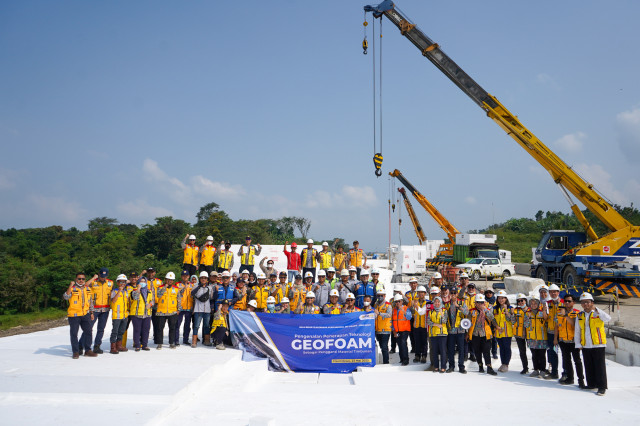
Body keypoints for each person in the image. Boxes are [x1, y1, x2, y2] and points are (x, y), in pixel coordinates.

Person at [575, 292, 610, 396]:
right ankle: (591, 384)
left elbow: (608, 318)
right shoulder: (580, 315)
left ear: (592, 303)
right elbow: (577, 331)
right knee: (588, 365)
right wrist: (578, 344)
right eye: (583, 302)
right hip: (586, 345)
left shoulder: (597, 313)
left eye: (587, 302)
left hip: (598, 344)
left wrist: (597, 310)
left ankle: (602, 387)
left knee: (599, 367)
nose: (585, 304)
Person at [64, 272, 97, 358]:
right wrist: (70, 285)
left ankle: (88, 350)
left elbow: (90, 302)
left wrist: (92, 313)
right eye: (79, 279)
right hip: (74, 315)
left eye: (83, 279)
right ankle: (76, 352)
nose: (81, 280)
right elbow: (66, 297)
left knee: (88, 332)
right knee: (74, 333)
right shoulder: (72, 288)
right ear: (76, 279)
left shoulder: (88, 289)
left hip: (85, 314)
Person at [554, 294, 585, 387]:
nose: (567, 303)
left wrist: (566, 315)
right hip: (563, 341)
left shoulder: (577, 313)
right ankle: (570, 378)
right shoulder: (559, 313)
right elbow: (556, 326)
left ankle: (581, 380)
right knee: (567, 360)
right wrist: (555, 338)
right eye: (565, 301)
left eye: (569, 301)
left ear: (573, 303)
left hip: (573, 341)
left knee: (577, 361)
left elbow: (575, 324)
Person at [468, 294, 498, 375]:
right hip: (475, 334)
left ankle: (489, 367)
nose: (480, 304)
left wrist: (485, 310)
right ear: (475, 303)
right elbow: (468, 322)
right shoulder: (472, 311)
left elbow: (492, 318)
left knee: (487, 351)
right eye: (478, 302)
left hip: (485, 334)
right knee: (477, 351)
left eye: (482, 302)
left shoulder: (487, 310)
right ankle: (480, 366)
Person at [88, 267, 113, 354]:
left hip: (105, 309)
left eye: (104, 276)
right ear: (98, 274)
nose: (103, 278)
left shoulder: (110, 283)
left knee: (101, 329)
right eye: (101, 276)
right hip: (94, 309)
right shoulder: (93, 282)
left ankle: (97, 346)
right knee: (88, 328)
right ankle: (85, 345)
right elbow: (85, 286)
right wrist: (93, 278)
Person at [155, 272, 181, 349]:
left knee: (172, 328)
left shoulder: (176, 289)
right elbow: (159, 295)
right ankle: (159, 343)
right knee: (160, 328)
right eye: (168, 280)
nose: (169, 281)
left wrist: (178, 309)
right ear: (165, 279)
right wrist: (164, 287)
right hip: (161, 312)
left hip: (172, 311)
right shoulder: (160, 287)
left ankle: (171, 343)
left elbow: (179, 299)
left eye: (171, 280)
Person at [524, 296, 548, 377]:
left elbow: (546, 321)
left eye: (535, 303)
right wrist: (528, 318)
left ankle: (543, 370)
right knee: (534, 355)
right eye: (532, 303)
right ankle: (536, 369)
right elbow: (526, 325)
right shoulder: (527, 313)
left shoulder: (542, 312)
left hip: (542, 337)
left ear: (538, 304)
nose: (533, 305)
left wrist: (544, 311)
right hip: (531, 337)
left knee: (542, 355)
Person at [129, 275, 154, 352]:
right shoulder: (133, 291)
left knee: (146, 330)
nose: (142, 283)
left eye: (144, 281)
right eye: (141, 281)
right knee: (137, 330)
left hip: (147, 313)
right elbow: (135, 297)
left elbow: (152, 300)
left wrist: (150, 304)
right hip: (137, 313)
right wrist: (138, 288)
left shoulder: (149, 291)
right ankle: (137, 345)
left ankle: (144, 345)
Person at [446, 288, 469, 373]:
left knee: (461, 349)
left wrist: (458, 306)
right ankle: (451, 366)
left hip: (460, 330)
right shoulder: (447, 304)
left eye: (454, 293)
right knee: (451, 350)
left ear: (457, 294)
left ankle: (461, 367)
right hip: (451, 331)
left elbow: (467, 312)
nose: (453, 294)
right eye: (451, 293)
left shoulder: (462, 303)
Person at [543, 284, 563, 380]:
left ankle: (566, 373)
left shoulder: (564, 302)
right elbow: (546, 318)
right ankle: (554, 372)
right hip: (551, 332)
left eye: (555, 291)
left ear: (558, 292)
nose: (553, 293)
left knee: (564, 354)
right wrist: (544, 311)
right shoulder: (548, 303)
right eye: (551, 292)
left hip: (562, 332)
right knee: (552, 352)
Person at [493, 289, 515, 372]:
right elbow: (493, 319)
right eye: (499, 298)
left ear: (506, 299)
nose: (501, 300)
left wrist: (506, 311)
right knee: (501, 348)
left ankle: (506, 364)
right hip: (498, 332)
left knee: (507, 348)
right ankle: (502, 363)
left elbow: (512, 320)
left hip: (507, 332)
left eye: (503, 298)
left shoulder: (510, 308)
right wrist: (496, 326)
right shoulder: (495, 308)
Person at [191, 272, 213, 347]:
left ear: (207, 279)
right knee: (196, 326)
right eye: (202, 278)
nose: (204, 279)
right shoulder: (195, 286)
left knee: (206, 326)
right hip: (198, 309)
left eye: (205, 278)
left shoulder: (209, 288)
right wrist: (199, 287)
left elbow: (211, 298)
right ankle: (194, 341)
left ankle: (207, 340)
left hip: (207, 309)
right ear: (200, 279)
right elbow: (192, 293)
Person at [109, 274, 130, 354]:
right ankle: (113, 347)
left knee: (121, 331)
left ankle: (119, 346)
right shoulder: (114, 291)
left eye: (124, 282)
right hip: (116, 315)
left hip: (124, 315)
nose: (122, 284)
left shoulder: (126, 292)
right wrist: (119, 291)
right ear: (117, 282)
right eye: (121, 282)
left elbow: (127, 303)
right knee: (115, 331)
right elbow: (113, 301)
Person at [427, 296, 448, 373]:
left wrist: (441, 313)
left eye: (438, 302)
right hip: (433, 334)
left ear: (441, 302)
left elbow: (445, 321)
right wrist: (436, 324)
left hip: (442, 334)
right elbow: (428, 322)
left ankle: (443, 367)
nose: (437, 303)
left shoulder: (444, 311)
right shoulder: (431, 312)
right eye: (435, 302)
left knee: (443, 351)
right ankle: (436, 366)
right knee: (434, 351)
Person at [145, 268, 163, 351]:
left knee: (157, 323)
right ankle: (144, 340)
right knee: (146, 324)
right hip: (147, 305)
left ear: (155, 273)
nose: (150, 274)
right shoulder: (144, 281)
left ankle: (156, 339)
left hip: (156, 305)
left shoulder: (159, 281)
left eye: (152, 272)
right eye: (149, 272)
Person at [391, 293, 412, 366]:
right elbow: (392, 321)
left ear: (402, 301)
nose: (397, 303)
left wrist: (403, 310)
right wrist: (394, 331)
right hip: (397, 330)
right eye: (396, 302)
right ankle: (402, 359)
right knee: (399, 344)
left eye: (399, 301)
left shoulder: (406, 308)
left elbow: (409, 317)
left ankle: (406, 360)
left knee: (403, 343)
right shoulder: (393, 310)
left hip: (405, 330)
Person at [411, 286, 429, 364]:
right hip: (416, 325)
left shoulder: (428, 302)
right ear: (417, 293)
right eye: (419, 292)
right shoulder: (414, 302)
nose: (421, 294)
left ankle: (424, 356)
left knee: (424, 342)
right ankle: (417, 355)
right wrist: (412, 306)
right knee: (417, 341)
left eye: (422, 292)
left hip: (424, 325)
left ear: (425, 293)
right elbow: (411, 312)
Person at [374, 289, 392, 364]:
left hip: (385, 330)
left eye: (382, 295)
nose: (380, 297)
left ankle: (386, 362)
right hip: (377, 329)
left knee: (384, 347)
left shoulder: (388, 305)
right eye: (378, 295)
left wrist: (379, 313)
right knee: (381, 346)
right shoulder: (376, 304)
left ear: (384, 296)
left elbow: (389, 315)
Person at [176, 271, 194, 346]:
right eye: (183, 276)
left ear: (189, 276)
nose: (185, 277)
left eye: (186, 276)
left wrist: (193, 308)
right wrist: (184, 288)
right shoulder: (177, 284)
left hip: (189, 308)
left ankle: (185, 339)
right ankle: (176, 340)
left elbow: (193, 297)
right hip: (180, 308)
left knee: (187, 325)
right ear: (181, 276)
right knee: (177, 325)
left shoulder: (192, 285)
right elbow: (177, 295)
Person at [513, 294, 529, 374]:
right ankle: (525, 367)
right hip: (519, 334)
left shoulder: (530, 310)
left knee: (534, 351)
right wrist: (511, 313)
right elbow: (513, 321)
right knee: (522, 351)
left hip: (530, 334)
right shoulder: (516, 310)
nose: (520, 302)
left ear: (525, 300)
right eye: (518, 301)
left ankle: (537, 368)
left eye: (522, 300)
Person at [483, 288, 498, 360]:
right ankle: (486, 351)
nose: (489, 294)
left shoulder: (496, 301)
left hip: (494, 321)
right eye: (487, 292)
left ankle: (494, 352)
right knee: (486, 338)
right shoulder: (483, 301)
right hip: (486, 322)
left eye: (490, 292)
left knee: (494, 339)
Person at [405, 278, 419, 354]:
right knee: (411, 333)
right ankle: (413, 347)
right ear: (409, 284)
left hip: (417, 316)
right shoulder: (407, 294)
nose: (413, 285)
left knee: (417, 333)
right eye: (411, 283)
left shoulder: (420, 292)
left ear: (417, 284)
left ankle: (417, 348)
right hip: (410, 316)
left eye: (414, 283)